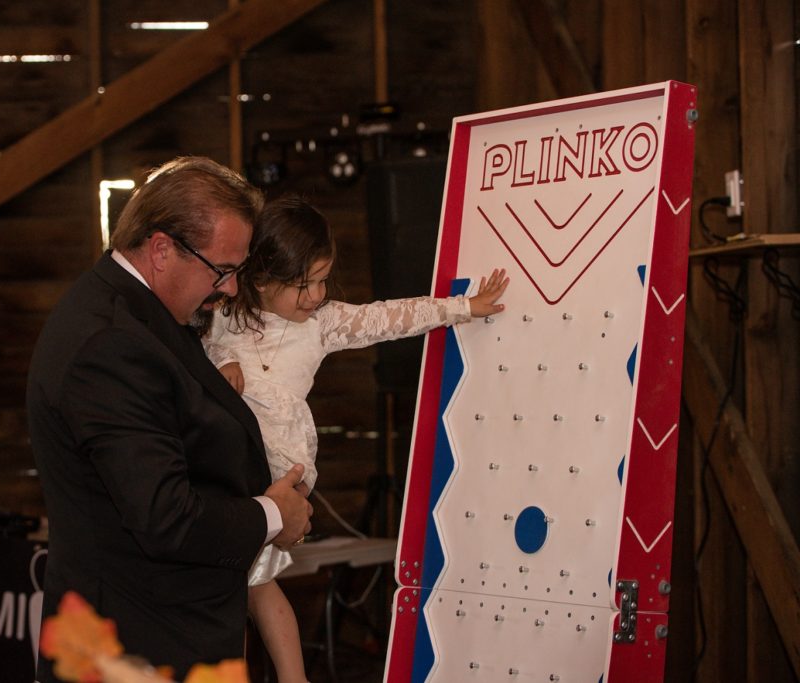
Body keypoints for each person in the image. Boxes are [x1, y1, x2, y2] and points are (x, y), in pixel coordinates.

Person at [26, 157, 314, 682]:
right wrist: (274, 516)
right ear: (161, 250)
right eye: (222, 270)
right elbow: (165, 517)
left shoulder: (141, 313)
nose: (229, 290)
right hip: (135, 649)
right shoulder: (110, 343)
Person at [202, 195, 509, 683]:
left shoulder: (322, 325)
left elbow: (389, 318)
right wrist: (222, 361)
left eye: (323, 280)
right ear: (260, 279)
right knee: (238, 584)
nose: (316, 295)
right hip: (225, 462)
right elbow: (199, 343)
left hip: (278, 464)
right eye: (303, 285)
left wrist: (462, 308)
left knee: (248, 580)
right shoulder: (224, 316)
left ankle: (291, 677)